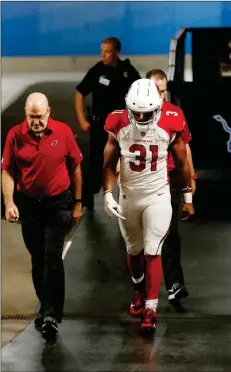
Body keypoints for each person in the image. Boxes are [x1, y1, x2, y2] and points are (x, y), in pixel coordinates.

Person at [102, 79, 194, 331]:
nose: (141, 117)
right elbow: (108, 162)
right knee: (134, 250)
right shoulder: (117, 122)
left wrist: (187, 196)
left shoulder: (171, 120)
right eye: (137, 111)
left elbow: (183, 162)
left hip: (157, 194)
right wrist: (108, 194)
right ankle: (139, 290)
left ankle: (151, 309)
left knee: (152, 250)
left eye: (147, 112)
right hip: (129, 195)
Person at [1, 92, 83, 338]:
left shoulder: (63, 132)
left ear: (49, 112)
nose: (35, 121)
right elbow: (7, 171)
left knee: (52, 255)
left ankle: (50, 313)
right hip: (29, 204)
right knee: (37, 258)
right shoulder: (15, 135)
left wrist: (78, 203)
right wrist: (8, 204)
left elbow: (75, 165)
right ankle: (46, 306)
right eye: (30, 117)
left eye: (39, 116)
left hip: (59, 203)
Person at [146, 69, 197, 305]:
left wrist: (191, 178)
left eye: (163, 90)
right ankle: (143, 289)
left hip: (170, 182)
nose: (160, 95)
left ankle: (175, 284)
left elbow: (185, 149)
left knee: (170, 234)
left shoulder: (175, 113)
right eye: (156, 90)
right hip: (143, 185)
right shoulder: (135, 113)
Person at [75, 37, 140, 210]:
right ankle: (88, 198)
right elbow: (80, 93)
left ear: (116, 52)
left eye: (107, 51)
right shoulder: (97, 71)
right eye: (102, 51)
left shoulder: (127, 71)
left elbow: (140, 92)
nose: (103, 55)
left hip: (123, 128)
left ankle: (129, 197)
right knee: (97, 161)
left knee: (127, 161)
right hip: (100, 127)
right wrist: (82, 119)